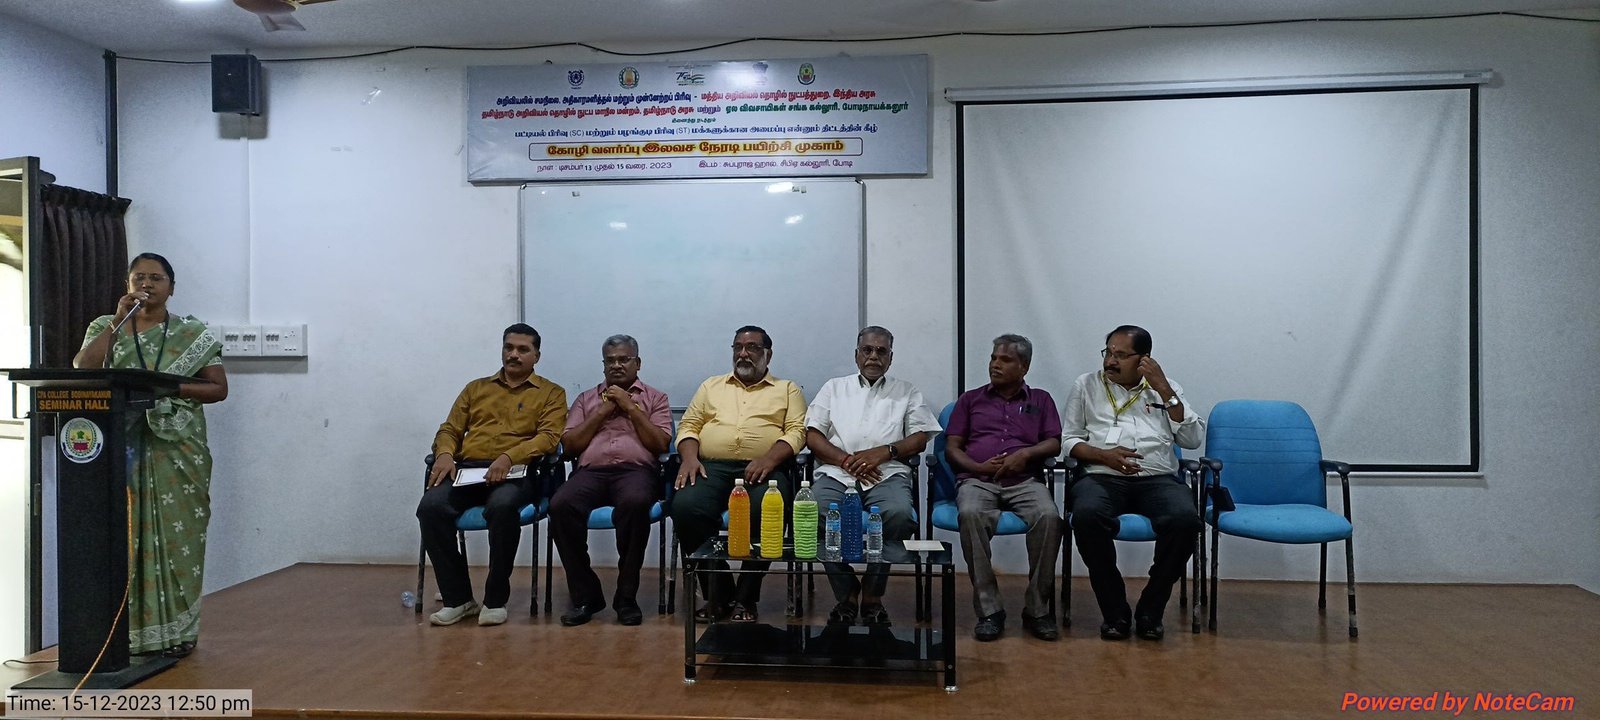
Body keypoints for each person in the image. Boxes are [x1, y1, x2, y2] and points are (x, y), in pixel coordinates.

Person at [72, 252, 229, 658]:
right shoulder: (106, 327)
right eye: (138, 277)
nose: (146, 284)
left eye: (156, 278)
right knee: (124, 535)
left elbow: (218, 389)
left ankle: (178, 632)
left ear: (171, 287)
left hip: (177, 448)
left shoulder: (191, 333)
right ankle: (127, 635)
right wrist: (116, 321)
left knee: (178, 537)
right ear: (126, 285)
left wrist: (168, 388)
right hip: (122, 444)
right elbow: (83, 367)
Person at [417, 323, 566, 627]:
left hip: (517, 471)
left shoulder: (551, 393)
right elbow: (450, 429)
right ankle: (459, 599)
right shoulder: (476, 388)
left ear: (536, 356)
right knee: (430, 508)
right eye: (508, 348)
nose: (514, 355)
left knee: (502, 507)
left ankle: (495, 599)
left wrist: (509, 457)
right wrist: (444, 453)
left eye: (523, 349)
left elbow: (549, 438)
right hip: (469, 470)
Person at [1063, 325, 1204, 641]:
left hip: (1157, 479)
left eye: (1121, 355)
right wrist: (1103, 456)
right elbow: (1069, 440)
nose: (1110, 361)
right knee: (1086, 516)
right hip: (1101, 476)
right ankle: (1114, 611)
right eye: (1108, 353)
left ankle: (1151, 608)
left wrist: (1164, 389)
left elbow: (1192, 439)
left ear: (1144, 360)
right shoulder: (1086, 385)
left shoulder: (1166, 389)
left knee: (1185, 521)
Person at [804, 326, 939, 627]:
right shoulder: (834, 388)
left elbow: (920, 437)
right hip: (838, 473)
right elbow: (812, 436)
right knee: (815, 511)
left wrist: (884, 452)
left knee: (899, 514)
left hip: (886, 473)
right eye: (867, 350)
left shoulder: (907, 391)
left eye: (881, 351)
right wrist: (846, 460)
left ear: (891, 357)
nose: (873, 356)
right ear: (856, 355)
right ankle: (847, 591)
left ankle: (873, 593)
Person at [671, 325, 806, 624]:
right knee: (685, 507)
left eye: (752, 347)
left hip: (764, 468)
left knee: (767, 510)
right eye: (738, 347)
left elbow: (797, 431)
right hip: (710, 466)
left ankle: (746, 597)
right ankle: (717, 595)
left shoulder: (787, 389)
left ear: (768, 354)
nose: (743, 354)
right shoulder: (711, 386)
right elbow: (689, 425)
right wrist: (689, 458)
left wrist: (769, 458)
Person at [945, 334, 1063, 642]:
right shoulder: (970, 400)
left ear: (1024, 366)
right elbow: (952, 447)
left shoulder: (1041, 399)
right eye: (993, 358)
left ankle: (1037, 609)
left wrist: (1026, 454)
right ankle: (990, 611)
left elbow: (1054, 442)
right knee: (970, 513)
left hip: (1025, 481)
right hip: (977, 480)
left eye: (1005, 360)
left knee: (1049, 518)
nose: (995, 364)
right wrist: (978, 467)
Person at [550, 334, 672, 627]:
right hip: (590, 473)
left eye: (624, 359)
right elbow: (570, 446)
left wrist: (630, 407)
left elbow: (660, 444)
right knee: (560, 505)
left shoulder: (656, 398)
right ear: (603, 365)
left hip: (636, 473)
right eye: (610, 360)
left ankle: (626, 598)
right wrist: (603, 410)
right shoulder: (586, 399)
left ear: (637, 363)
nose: (616, 365)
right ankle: (586, 596)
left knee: (635, 503)